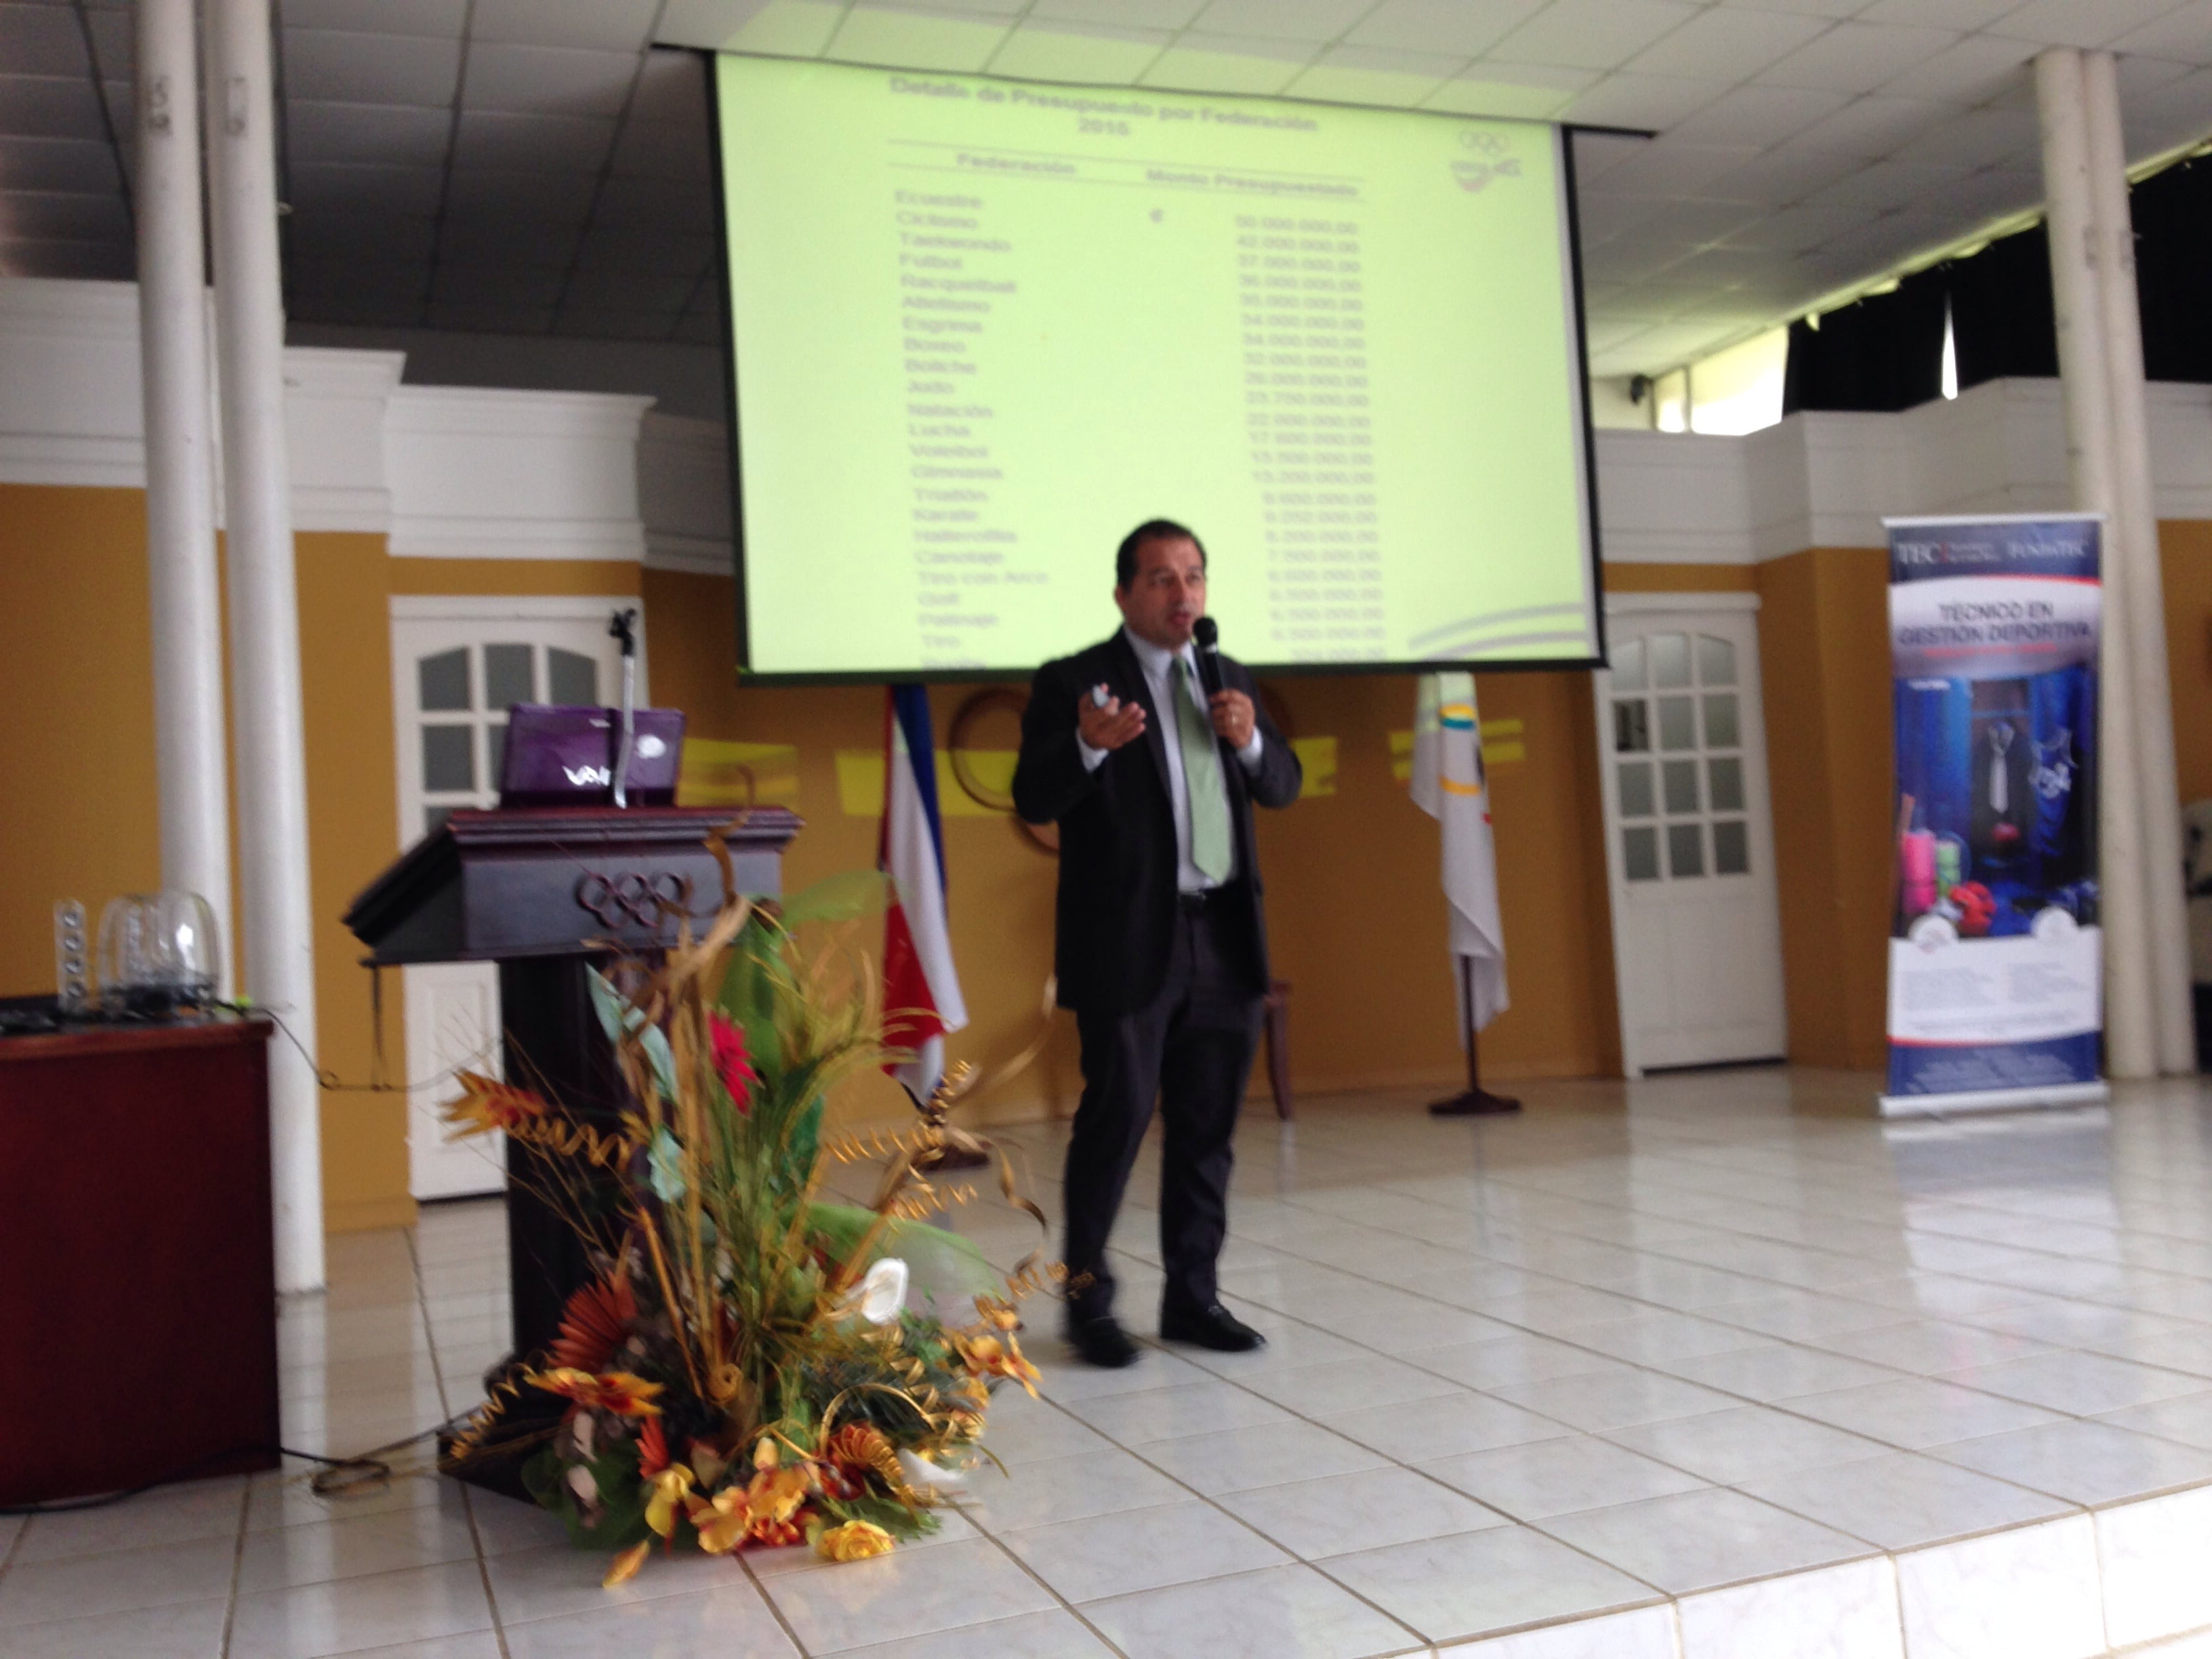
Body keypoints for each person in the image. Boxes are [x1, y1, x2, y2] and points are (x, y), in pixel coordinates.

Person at [1012, 519, 1302, 1368]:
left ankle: (1193, 1298)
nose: (1184, 594)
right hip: (1128, 941)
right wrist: (1086, 748)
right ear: (1124, 594)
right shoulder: (1075, 681)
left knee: (1208, 1131)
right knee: (1115, 1123)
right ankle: (1087, 1305)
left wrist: (1250, 738)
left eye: (1194, 577)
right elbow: (1032, 794)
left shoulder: (1228, 678)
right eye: (1163, 579)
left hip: (1225, 934)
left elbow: (1282, 785)